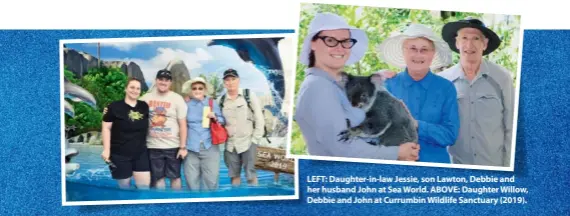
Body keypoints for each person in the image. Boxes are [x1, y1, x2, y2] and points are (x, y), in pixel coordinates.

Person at [293, 12, 420, 161]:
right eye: (330, 40)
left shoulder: (334, 85)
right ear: (312, 43)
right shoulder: (318, 88)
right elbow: (341, 147)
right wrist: (397, 153)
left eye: (345, 41)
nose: (340, 48)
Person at [376, 23, 460, 163]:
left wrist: (415, 124)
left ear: (433, 54)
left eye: (424, 49)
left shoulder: (446, 88)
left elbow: (450, 135)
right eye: (413, 49)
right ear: (404, 52)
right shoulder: (388, 85)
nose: (418, 55)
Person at [438, 18, 514, 167]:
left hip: (493, 165)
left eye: (476, 38)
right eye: (464, 38)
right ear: (457, 43)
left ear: (484, 44)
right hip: (456, 166)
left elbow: (511, 125)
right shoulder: (443, 81)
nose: (469, 45)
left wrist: (508, 167)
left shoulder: (502, 78)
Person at [140, 69, 188, 189]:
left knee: (175, 177)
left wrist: (182, 147)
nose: (163, 82)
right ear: (156, 80)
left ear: (170, 83)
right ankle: (162, 204)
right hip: (153, 146)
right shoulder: (146, 98)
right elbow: (130, 109)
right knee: (158, 178)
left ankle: (176, 205)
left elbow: (183, 124)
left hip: (173, 146)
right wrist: (110, 110)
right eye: (161, 79)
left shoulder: (177, 99)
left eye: (166, 80)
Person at [101, 77, 151, 189]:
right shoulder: (113, 107)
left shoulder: (144, 106)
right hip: (119, 154)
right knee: (125, 189)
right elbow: (106, 128)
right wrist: (106, 149)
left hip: (140, 153)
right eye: (132, 87)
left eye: (138, 88)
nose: (135, 90)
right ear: (126, 89)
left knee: (144, 188)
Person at [220, 68, 264, 186]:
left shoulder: (248, 95)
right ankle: (236, 200)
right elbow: (219, 122)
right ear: (224, 83)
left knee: (251, 176)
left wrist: (255, 140)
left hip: (248, 142)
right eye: (227, 80)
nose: (230, 82)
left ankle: (255, 201)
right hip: (230, 145)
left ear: (238, 80)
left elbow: (259, 118)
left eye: (233, 79)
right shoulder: (221, 100)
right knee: (234, 176)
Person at [181, 77, 225, 191]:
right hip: (191, 148)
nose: (197, 90)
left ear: (204, 90)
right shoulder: (185, 104)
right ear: (191, 90)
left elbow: (222, 120)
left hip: (210, 146)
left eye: (200, 88)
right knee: (191, 183)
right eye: (194, 88)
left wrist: (215, 117)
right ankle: (194, 207)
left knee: (211, 182)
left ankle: (210, 207)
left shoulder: (211, 102)